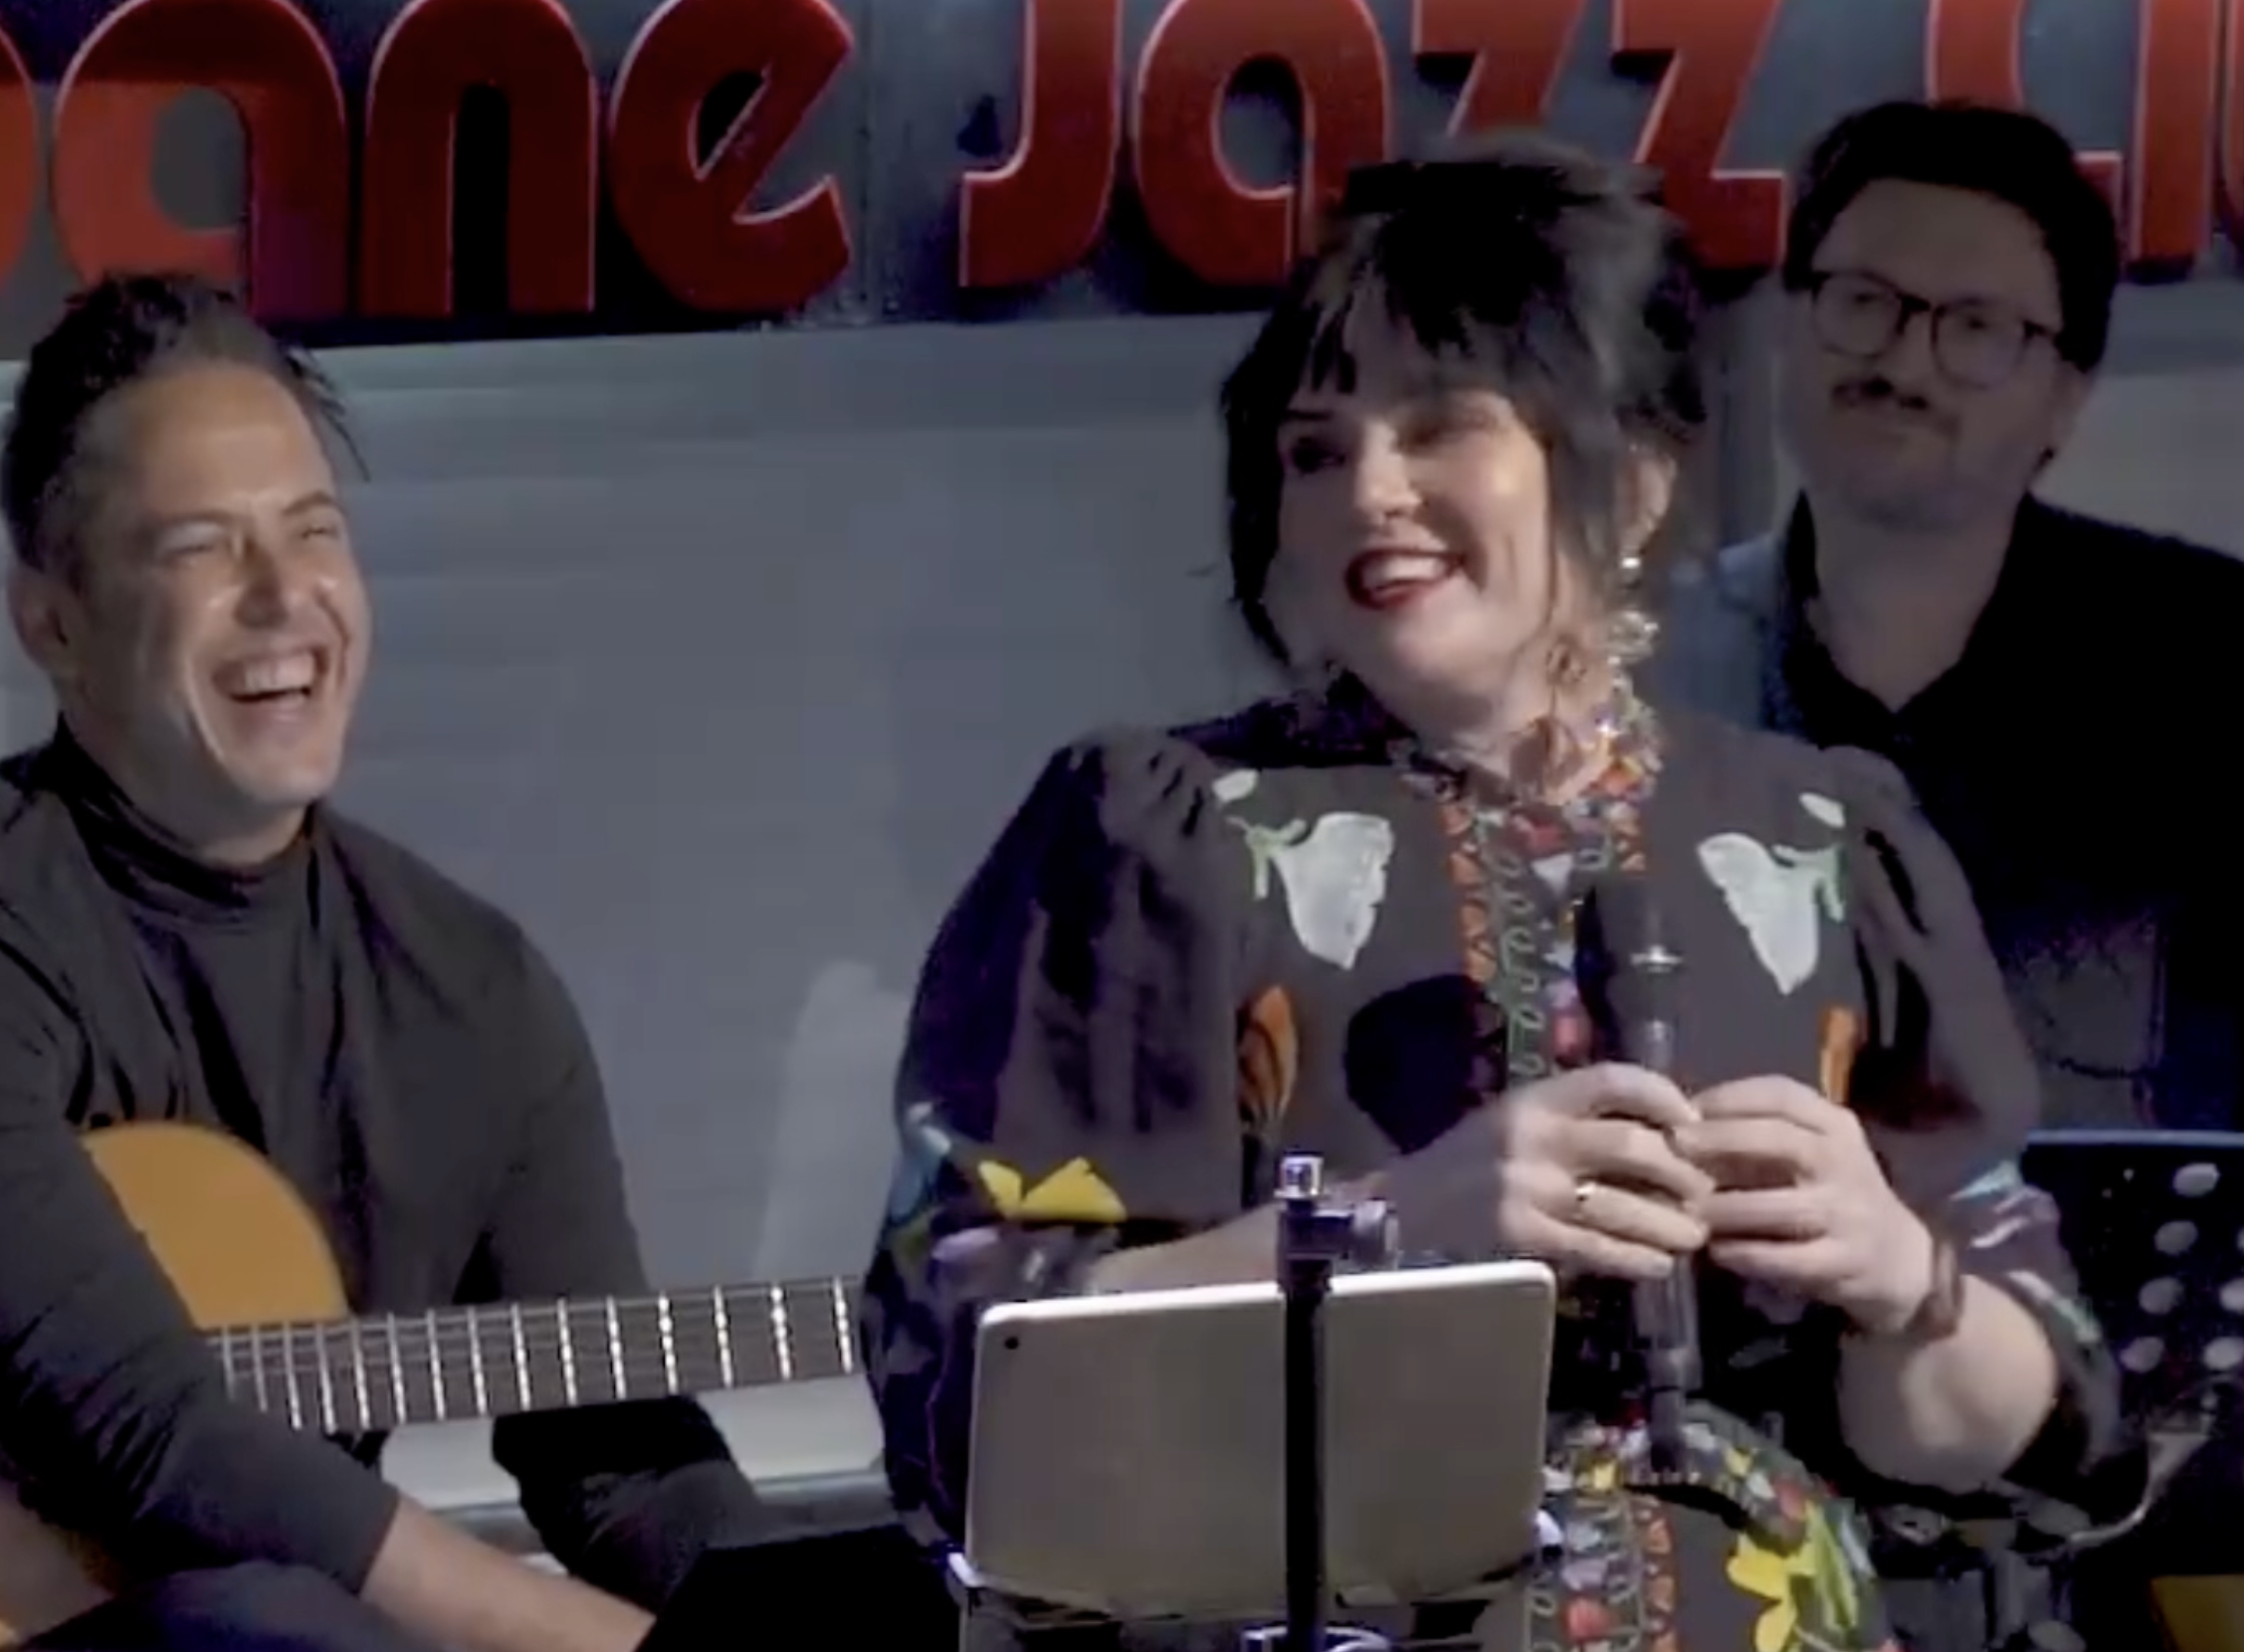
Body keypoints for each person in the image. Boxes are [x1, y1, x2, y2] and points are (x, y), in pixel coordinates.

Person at [860, 134, 2124, 1652]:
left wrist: (1898, 1278)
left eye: (1440, 425)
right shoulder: (1155, 838)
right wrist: (1392, 1230)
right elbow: (958, 1378)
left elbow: (2007, 1440)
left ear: (1634, 475)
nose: (1368, 491)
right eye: (1316, 448)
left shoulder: (1822, 842)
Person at [0, 274, 776, 1652]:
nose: (286, 598)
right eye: (203, 549)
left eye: (315, 532)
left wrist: (780, 1616)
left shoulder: (472, 991)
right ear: (53, 626)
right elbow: (156, 1440)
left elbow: (621, 1456)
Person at [1649, 100, 2244, 1136]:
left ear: (2066, 394)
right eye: (1863, 300)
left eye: (1974, 327)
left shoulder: (2216, 663)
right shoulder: (1632, 670)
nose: (1905, 363)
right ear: (1791, 318)